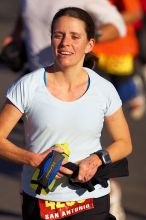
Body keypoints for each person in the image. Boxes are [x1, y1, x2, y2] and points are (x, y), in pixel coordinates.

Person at [0, 7, 132, 220]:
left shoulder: (103, 89)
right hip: (41, 199)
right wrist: (33, 159)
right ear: (51, 39)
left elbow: (124, 142)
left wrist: (97, 159)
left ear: (90, 44)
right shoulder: (28, 86)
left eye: (75, 36)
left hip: (90, 196)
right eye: (58, 35)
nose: (65, 43)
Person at [1, 0, 127, 72]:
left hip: (71, 82)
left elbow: (117, 25)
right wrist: (16, 34)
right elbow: (26, 12)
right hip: (35, 75)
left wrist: (86, 38)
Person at [93, 0, 145, 120]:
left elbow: (135, 13)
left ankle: (134, 89)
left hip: (119, 49)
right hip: (91, 49)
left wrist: (106, 24)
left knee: (127, 92)